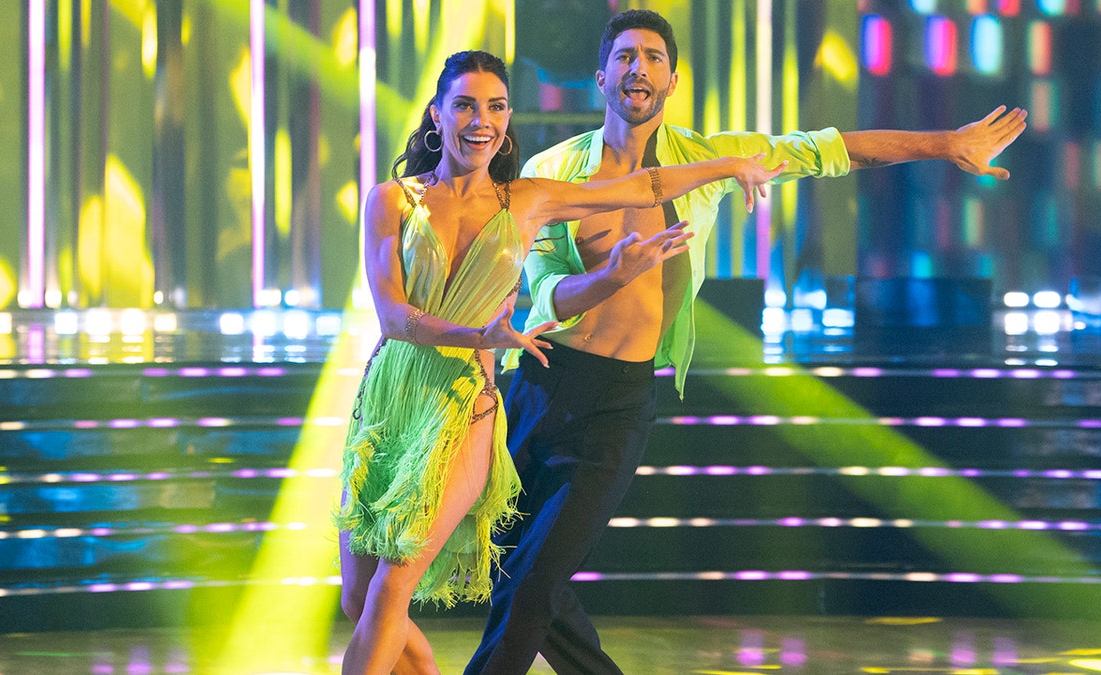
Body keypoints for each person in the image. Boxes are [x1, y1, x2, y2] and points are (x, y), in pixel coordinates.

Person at [464, 9, 1028, 675]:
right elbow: (546, 293)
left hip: (618, 399)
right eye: (623, 56)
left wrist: (945, 143)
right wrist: (610, 275)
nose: (637, 66)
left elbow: (829, 148)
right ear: (600, 77)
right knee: (519, 575)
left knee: (535, 579)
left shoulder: (706, 159)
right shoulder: (555, 168)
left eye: (651, 56)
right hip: (543, 381)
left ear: (672, 80)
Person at [334, 48, 787, 675]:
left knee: (390, 588)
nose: (480, 120)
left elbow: (645, 185)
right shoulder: (391, 200)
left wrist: (730, 164)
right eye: (464, 104)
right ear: (437, 116)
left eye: (494, 106)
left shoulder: (526, 200)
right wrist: (479, 332)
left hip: (462, 410)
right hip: (386, 405)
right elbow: (392, 318)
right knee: (359, 600)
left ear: (508, 119)